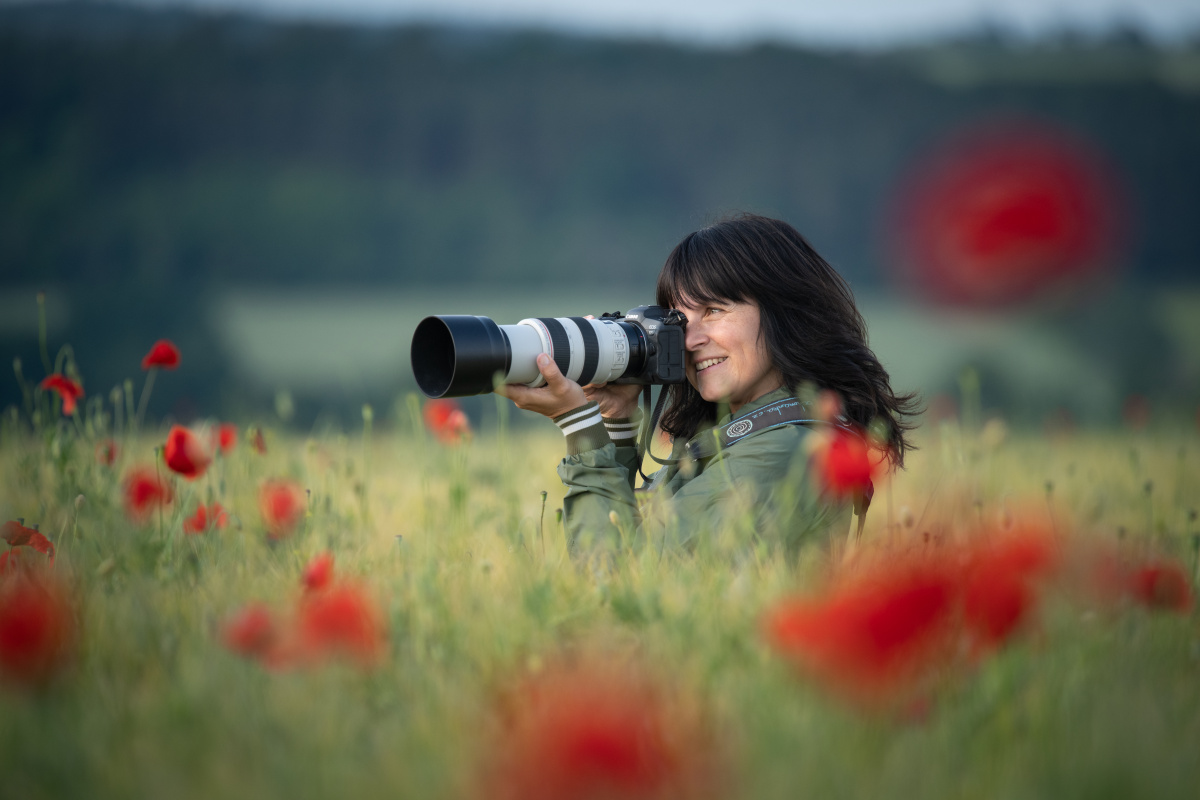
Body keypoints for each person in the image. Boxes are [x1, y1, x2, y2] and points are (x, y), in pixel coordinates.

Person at [497, 213, 919, 559]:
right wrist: (617, 422)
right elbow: (626, 540)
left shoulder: (786, 450)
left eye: (715, 310)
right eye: (679, 320)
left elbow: (618, 579)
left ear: (783, 314)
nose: (691, 340)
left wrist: (578, 425)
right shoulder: (743, 437)